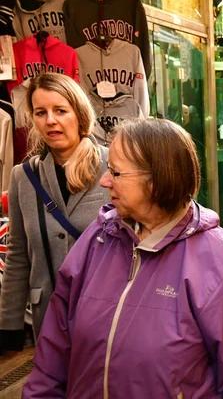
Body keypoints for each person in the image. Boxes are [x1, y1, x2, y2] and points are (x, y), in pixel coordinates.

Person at [22, 119, 223, 398]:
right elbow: (53, 357)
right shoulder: (98, 238)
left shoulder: (220, 264)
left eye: (116, 172)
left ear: (158, 179)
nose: (104, 180)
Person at [0, 73, 110, 350]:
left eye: (60, 110)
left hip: (109, 316)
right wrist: (8, 322)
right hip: (49, 320)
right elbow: (17, 254)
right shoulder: (23, 177)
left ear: (79, 113)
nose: (50, 120)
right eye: (41, 112)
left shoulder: (114, 165)